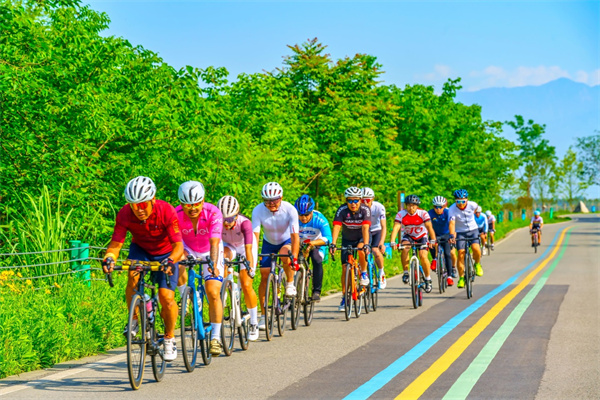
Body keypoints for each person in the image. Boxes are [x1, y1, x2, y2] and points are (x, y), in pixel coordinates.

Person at [102, 176, 183, 362]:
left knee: (167, 298)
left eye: (143, 204)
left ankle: (170, 337)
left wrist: (171, 261)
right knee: (132, 277)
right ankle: (135, 319)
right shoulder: (124, 214)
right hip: (141, 250)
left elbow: (178, 246)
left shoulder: (167, 211)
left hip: (166, 253)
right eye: (133, 205)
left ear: (153, 199)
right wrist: (109, 258)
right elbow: (116, 244)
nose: (138, 209)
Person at [175, 180, 225, 356]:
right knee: (177, 260)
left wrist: (212, 263)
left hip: (210, 250)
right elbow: (176, 242)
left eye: (197, 203)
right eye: (188, 205)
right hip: (188, 249)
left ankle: (216, 338)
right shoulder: (176, 214)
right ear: (182, 204)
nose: (192, 208)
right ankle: (186, 296)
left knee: (212, 292)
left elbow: (214, 241)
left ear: (203, 200)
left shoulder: (213, 212)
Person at [252, 182, 300, 330]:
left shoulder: (290, 210)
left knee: (285, 255)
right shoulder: (258, 210)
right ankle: (264, 315)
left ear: (281, 197)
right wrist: (253, 257)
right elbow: (255, 236)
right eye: (267, 201)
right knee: (264, 275)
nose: (271, 204)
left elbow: (295, 236)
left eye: (275, 200)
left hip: (286, 241)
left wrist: (295, 258)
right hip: (268, 242)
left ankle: (290, 283)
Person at [218, 195, 260, 341]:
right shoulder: (217, 223)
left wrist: (250, 268)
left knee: (247, 284)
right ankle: (224, 291)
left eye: (230, 219)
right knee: (222, 258)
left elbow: (248, 250)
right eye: (223, 219)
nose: (226, 223)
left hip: (245, 247)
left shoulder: (245, 223)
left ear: (236, 215)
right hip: (229, 246)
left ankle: (254, 322)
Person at [329, 186, 371, 311]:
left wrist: (366, 244)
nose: (353, 204)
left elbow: (365, 228)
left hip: (361, 237)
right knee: (344, 268)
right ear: (346, 201)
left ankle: (363, 273)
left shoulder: (365, 210)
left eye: (356, 200)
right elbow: (337, 227)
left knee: (360, 249)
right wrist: (333, 243)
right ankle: (344, 297)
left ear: (360, 200)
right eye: (350, 201)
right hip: (347, 239)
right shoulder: (342, 210)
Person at [390, 194, 436, 293]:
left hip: (422, 236)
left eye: (414, 205)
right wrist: (393, 241)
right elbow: (396, 227)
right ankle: (406, 272)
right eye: (409, 205)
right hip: (409, 236)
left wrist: (432, 240)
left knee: (423, 256)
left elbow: (429, 227)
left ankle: (428, 279)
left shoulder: (423, 213)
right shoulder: (401, 214)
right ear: (406, 206)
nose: (411, 208)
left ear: (417, 206)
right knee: (405, 249)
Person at [295, 194, 332, 302]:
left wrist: (312, 243)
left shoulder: (319, 219)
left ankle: (316, 291)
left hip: (316, 243)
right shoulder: (293, 218)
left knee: (316, 259)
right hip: (299, 243)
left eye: (307, 214)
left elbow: (328, 238)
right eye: (300, 215)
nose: (304, 218)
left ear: (312, 211)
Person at [448, 189, 483, 289]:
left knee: (476, 248)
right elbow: (452, 223)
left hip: (473, 230)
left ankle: (477, 264)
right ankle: (462, 278)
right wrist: (451, 235)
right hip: (460, 232)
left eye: (463, 201)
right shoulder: (452, 209)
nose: (461, 204)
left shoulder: (473, 205)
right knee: (461, 253)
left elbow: (476, 210)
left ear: (467, 200)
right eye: (458, 201)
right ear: (455, 201)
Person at [361, 187, 388, 289]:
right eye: (362, 200)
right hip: (364, 230)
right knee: (363, 251)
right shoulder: (359, 208)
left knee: (376, 251)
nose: (364, 203)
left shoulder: (379, 207)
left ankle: (381, 273)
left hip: (376, 230)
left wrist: (382, 242)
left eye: (367, 200)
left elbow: (384, 226)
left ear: (372, 199)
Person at [428, 196, 457, 286]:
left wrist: (452, 236)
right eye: (436, 207)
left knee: (448, 254)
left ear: (444, 206)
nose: (438, 209)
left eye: (440, 207)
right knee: (430, 245)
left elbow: (452, 224)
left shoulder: (449, 212)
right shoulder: (430, 213)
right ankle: (435, 259)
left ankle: (449, 276)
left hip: (446, 234)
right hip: (435, 234)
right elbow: (427, 226)